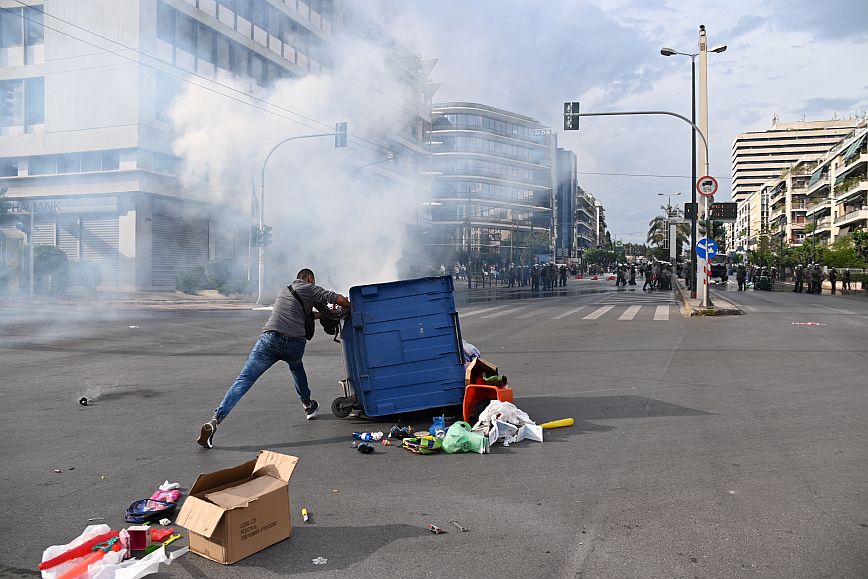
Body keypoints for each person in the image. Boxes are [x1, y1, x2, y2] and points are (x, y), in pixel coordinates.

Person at [197, 269, 351, 449]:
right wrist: (351, 305)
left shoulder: (285, 291)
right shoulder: (309, 288)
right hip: (294, 342)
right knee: (296, 368)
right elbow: (338, 299)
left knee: (244, 380)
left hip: (269, 339)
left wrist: (319, 315)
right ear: (309, 278)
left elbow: (301, 314)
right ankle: (308, 405)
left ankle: (215, 420)